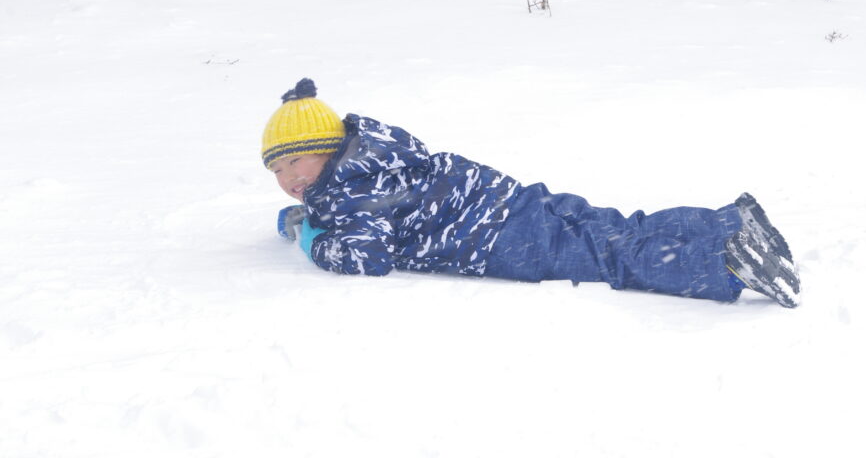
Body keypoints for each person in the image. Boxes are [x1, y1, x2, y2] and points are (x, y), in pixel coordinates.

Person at [264, 79, 801, 308]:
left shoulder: (344, 195)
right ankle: (729, 224)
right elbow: (376, 210)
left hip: (495, 242)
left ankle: (726, 265)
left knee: (610, 254)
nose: (289, 179)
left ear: (327, 150)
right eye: (276, 171)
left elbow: (367, 256)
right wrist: (315, 210)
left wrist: (310, 234)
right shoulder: (375, 156)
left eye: (294, 162)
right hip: (508, 200)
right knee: (611, 225)